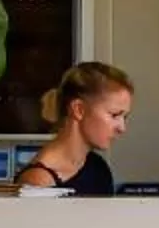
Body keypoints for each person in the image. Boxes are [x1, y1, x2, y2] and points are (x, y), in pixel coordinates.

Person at [18, 61, 133, 196]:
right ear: (79, 110)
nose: (122, 128)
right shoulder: (38, 182)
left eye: (124, 117)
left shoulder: (98, 167)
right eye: (114, 115)